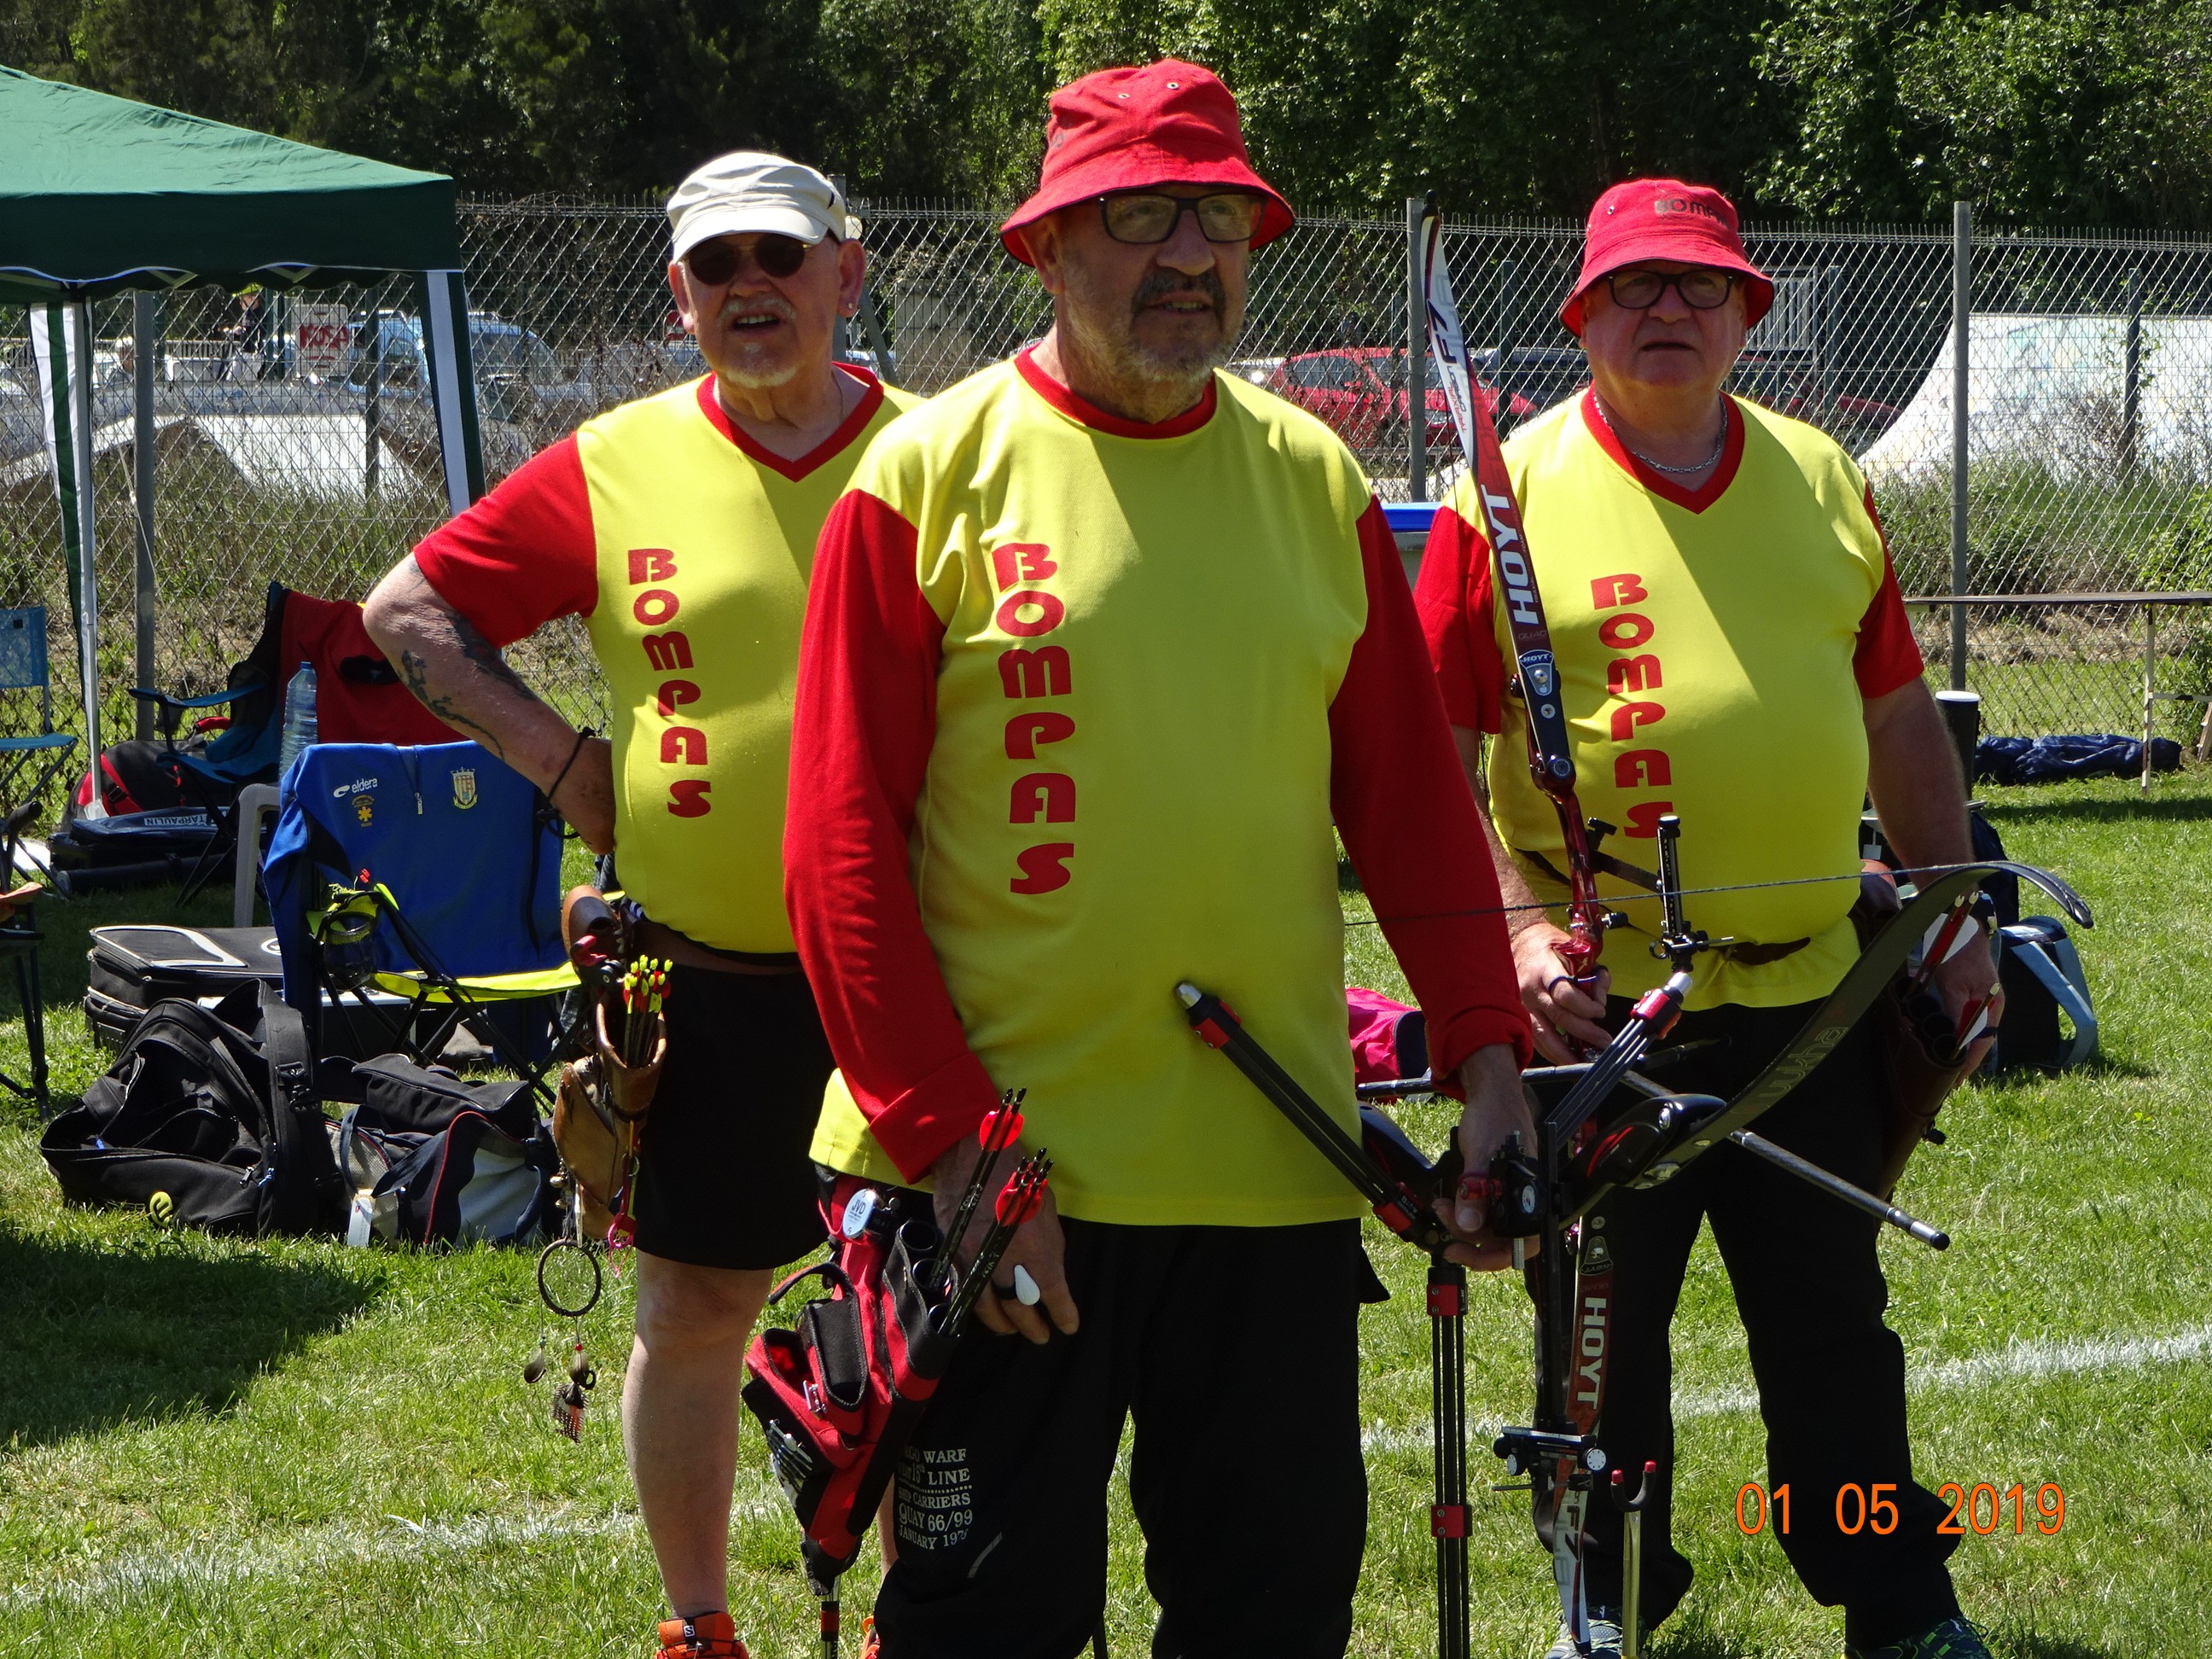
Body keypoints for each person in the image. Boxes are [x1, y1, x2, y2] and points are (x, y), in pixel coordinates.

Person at [783, 59, 1534, 1659]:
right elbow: (839, 857)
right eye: (1140, 217)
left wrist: (1486, 1056)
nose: (1189, 254)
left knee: (1273, 1616)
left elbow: (1411, 806)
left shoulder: (1314, 480)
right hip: (1003, 1185)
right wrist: (961, 1161)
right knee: (986, 1631)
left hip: (1270, 1169)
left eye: (1220, 219)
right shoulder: (924, 478)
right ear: (1049, 248)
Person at [1413, 178, 2002, 1659]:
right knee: (1600, 1345)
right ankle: (1605, 1605)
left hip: (1812, 1000)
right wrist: (1515, 937)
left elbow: (1896, 713)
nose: (1668, 309)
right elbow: (1422, 763)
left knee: (1834, 1328)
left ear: (1748, 314)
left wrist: (1954, 911)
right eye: (1635, 287)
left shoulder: (1821, 474)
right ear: (1583, 316)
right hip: (1607, 1019)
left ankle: (1897, 1603)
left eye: (1700, 286)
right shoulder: (1507, 494)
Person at [362, 152, 917, 1659]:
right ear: (679, 296)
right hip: (704, 971)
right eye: (717, 266)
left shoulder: (943, 450)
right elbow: (406, 612)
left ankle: (930, 1618)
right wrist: (564, 766)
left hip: (922, 970)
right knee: (692, 1306)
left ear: (847, 272)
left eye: (780, 257)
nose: (752, 287)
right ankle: (701, 1625)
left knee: (941, 1304)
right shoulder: (616, 462)